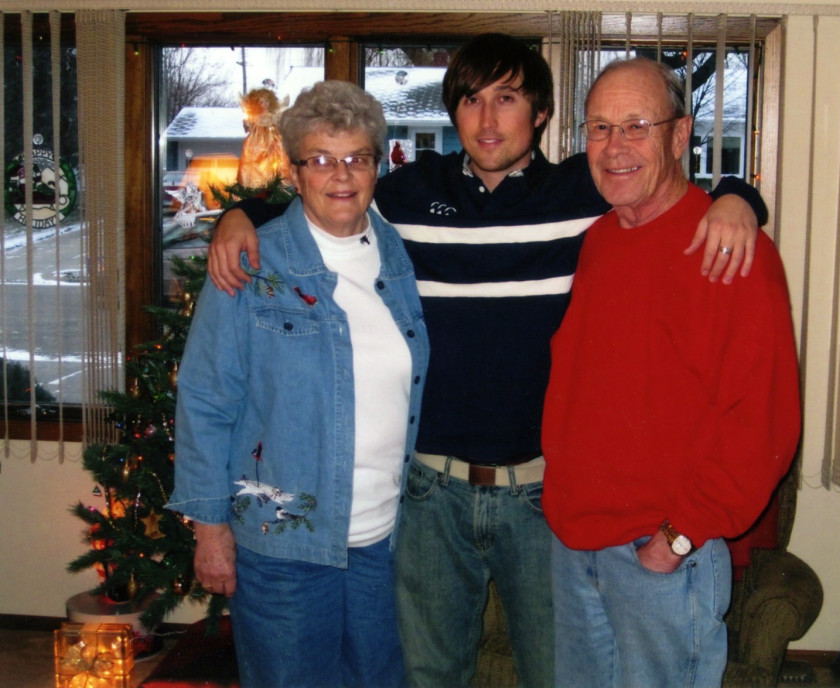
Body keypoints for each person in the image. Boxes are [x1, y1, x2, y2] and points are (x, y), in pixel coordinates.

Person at [206, 34, 766, 688]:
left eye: (508, 98)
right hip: (430, 494)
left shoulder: (583, 198)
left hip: (542, 495)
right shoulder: (407, 198)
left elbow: (660, 187)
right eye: (471, 99)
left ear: (541, 114)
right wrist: (239, 217)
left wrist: (739, 199)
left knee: (557, 675)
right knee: (425, 674)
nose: (488, 118)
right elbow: (322, 200)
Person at [541, 57, 802, 688]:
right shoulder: (599, 239)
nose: (615, 146)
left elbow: (761, 424)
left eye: (636, 125)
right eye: (599, 128)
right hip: (575, 542)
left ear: (680, 135)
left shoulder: (735, 251)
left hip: (659, 556)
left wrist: (678, 539)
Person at [165, 80, 429, 688]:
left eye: (356, 157)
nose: (341, 175)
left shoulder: (403, 256)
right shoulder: (253, 264)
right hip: (283, 545)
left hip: (387, 543)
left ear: (376, 165)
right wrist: (210, 532)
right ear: (294, 170)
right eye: (321, 159)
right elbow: (205, 398)